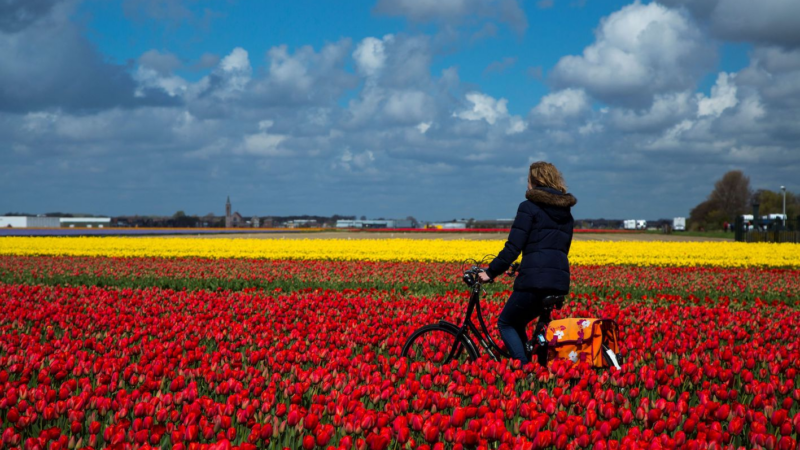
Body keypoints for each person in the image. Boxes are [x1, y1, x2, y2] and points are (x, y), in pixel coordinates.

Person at [478, 161, 577, 366]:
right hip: (558, 280)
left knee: (506, 323)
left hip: (535, 282)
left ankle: (523, 370)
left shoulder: (528, 207)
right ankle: (532, 364)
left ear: (534, 181)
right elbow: (555, 249)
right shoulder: (566, 213)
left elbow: (513, 247)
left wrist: (490, 272)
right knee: (519, 322)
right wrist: (523, 266)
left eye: (527, 180)